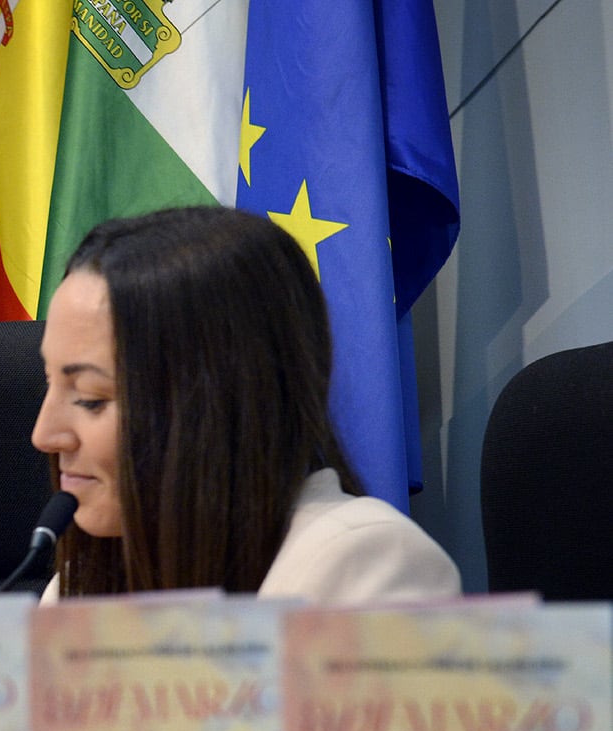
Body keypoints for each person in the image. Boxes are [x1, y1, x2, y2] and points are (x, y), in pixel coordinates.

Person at [34, 205, 460, 603]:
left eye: (90, 399)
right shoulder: (79, 588)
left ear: (213, 405)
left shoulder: (365, 566)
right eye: (49, 383)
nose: (44, 435)